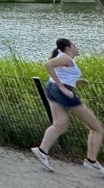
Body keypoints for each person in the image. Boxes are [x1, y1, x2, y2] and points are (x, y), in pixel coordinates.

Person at [31, 38, 104, 174]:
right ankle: (91, 161)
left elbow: (62, 74)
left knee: (60, 124)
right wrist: (62, 86)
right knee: (97, 128)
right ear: (69, 47)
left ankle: (42, 151)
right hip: (60, 90)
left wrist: (76, 82)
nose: (78, 48)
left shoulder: (63, 57)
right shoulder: (67, 59)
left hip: (52, 89)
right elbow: (48, 65)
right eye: (75, 45)